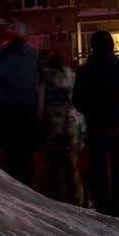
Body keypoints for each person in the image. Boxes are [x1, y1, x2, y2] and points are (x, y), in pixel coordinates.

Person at [73, 30, 119, 217]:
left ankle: (103, 204)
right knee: (117, 168)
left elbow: (77, 99)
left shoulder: (85, 71)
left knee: (99, 168)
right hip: (117, 125)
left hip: (96, 126)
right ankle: (118, 205)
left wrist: (90, 112)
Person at [0, 24, 42, 185]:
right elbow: (38, 80)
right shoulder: (32, 54)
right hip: (27, 112)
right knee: (25, 156)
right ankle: (27, 183)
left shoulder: (3, 53)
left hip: (7, 111)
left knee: (9, 153)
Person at [37, 52, 86, 203]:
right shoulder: (71, 77)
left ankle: (57, 199)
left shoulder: (44, 79)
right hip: (70, 126)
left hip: (52, 126)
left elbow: (40, 104)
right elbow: (78, 105)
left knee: (54, 166)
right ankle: (76, 199)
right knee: (71, 166)